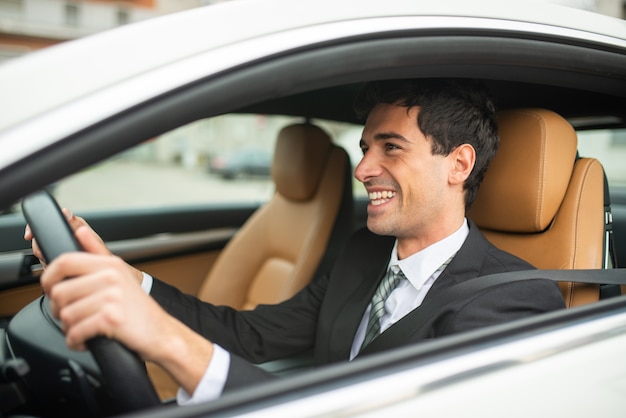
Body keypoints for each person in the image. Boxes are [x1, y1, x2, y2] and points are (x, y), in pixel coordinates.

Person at [26, 78, 566, 405]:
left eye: (391, 148)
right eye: (364, 147)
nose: (362, 169)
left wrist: (168, 343)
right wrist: (129, 281)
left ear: (458, 164)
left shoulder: (512, 299)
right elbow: (249, 336)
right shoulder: (363, 252)